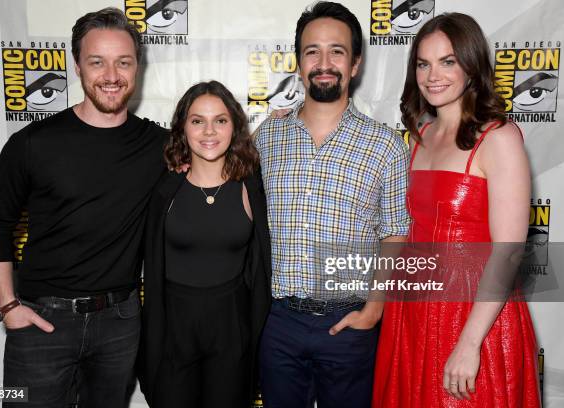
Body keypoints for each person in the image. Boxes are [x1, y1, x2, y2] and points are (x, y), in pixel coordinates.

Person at [0, 8, 168, 407]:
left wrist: (273, 124)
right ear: (77, 65)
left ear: (137, 67)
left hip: (120, 322)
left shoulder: (159, 145)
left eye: (123, 62)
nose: (111, 75)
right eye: (97, 62)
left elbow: (217, 148)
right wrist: (8, 306)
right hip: (42, 322)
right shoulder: (33, 143)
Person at [372, 13, 541, 407]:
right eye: (423, 63)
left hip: (473, 314)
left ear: (471, 65)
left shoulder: (498, 137)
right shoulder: (421, 136)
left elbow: (509, 250)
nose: (434, 75)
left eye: (448, 61)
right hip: (412, 312)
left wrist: (469, 342)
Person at [254, 2, 410, 407]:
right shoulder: (267, 137)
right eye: (312, 51)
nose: (324, 63)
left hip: (350, 323)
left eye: (337, 51)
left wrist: (373, 311)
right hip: (277, 323)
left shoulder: (385, 145)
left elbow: (395, 233)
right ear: (299, 63)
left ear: (355, 64)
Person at [138, 80, 271, 408]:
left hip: (232, 329)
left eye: (220, 120)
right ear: (183, 128)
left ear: (234, 127)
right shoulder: (162, 189)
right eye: (198, 121)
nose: (209, 131)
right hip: (173, 330)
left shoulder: (251, 186)